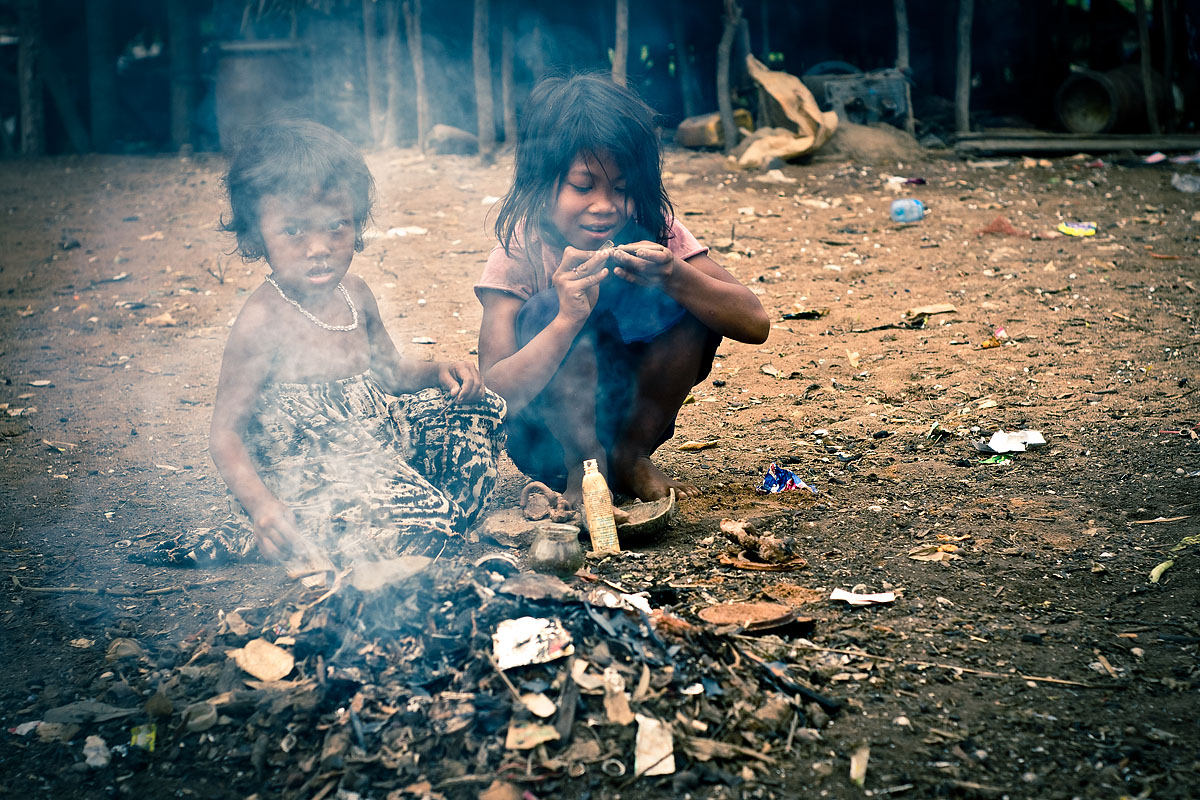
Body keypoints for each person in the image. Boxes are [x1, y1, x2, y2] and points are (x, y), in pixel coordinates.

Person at [135, 120, 505, 568]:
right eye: (294, 231)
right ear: (257, 235)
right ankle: (296, 530)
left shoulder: (356, 291)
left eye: (336, 226)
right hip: (309, 477)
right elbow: (225, 435)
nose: (318, 247)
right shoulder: (262, 320)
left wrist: (438, 371)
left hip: (377, 446)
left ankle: (421, 518)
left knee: (480, 409)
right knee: (429, 524)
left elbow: (391, 373)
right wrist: (264, 507)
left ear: (357, 222)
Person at [475, 75, 769, 509]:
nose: (605, 206)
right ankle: (585, 462)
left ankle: (632, 455)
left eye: (623, 188)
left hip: (630, 413)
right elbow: (495, 389)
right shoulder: (520, 250)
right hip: (544, 441)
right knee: (549, 308)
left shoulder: (653, 232)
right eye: (583, 186)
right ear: (540, 185)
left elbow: (755, 323)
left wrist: (674, 277)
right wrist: (565, 320)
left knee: (693, 304)